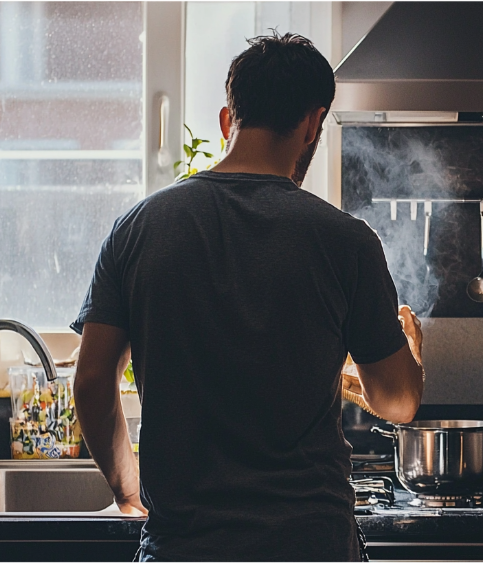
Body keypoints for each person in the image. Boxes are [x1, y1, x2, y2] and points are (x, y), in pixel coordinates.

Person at [71, 33, 425, 563]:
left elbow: (94, 379)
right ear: (313, 124)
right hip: (311, 546)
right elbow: (398, 402)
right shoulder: (346, 242)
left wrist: (127, 490)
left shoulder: (137, 230)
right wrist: (411, 356)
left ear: (225, 120)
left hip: (182, 550)